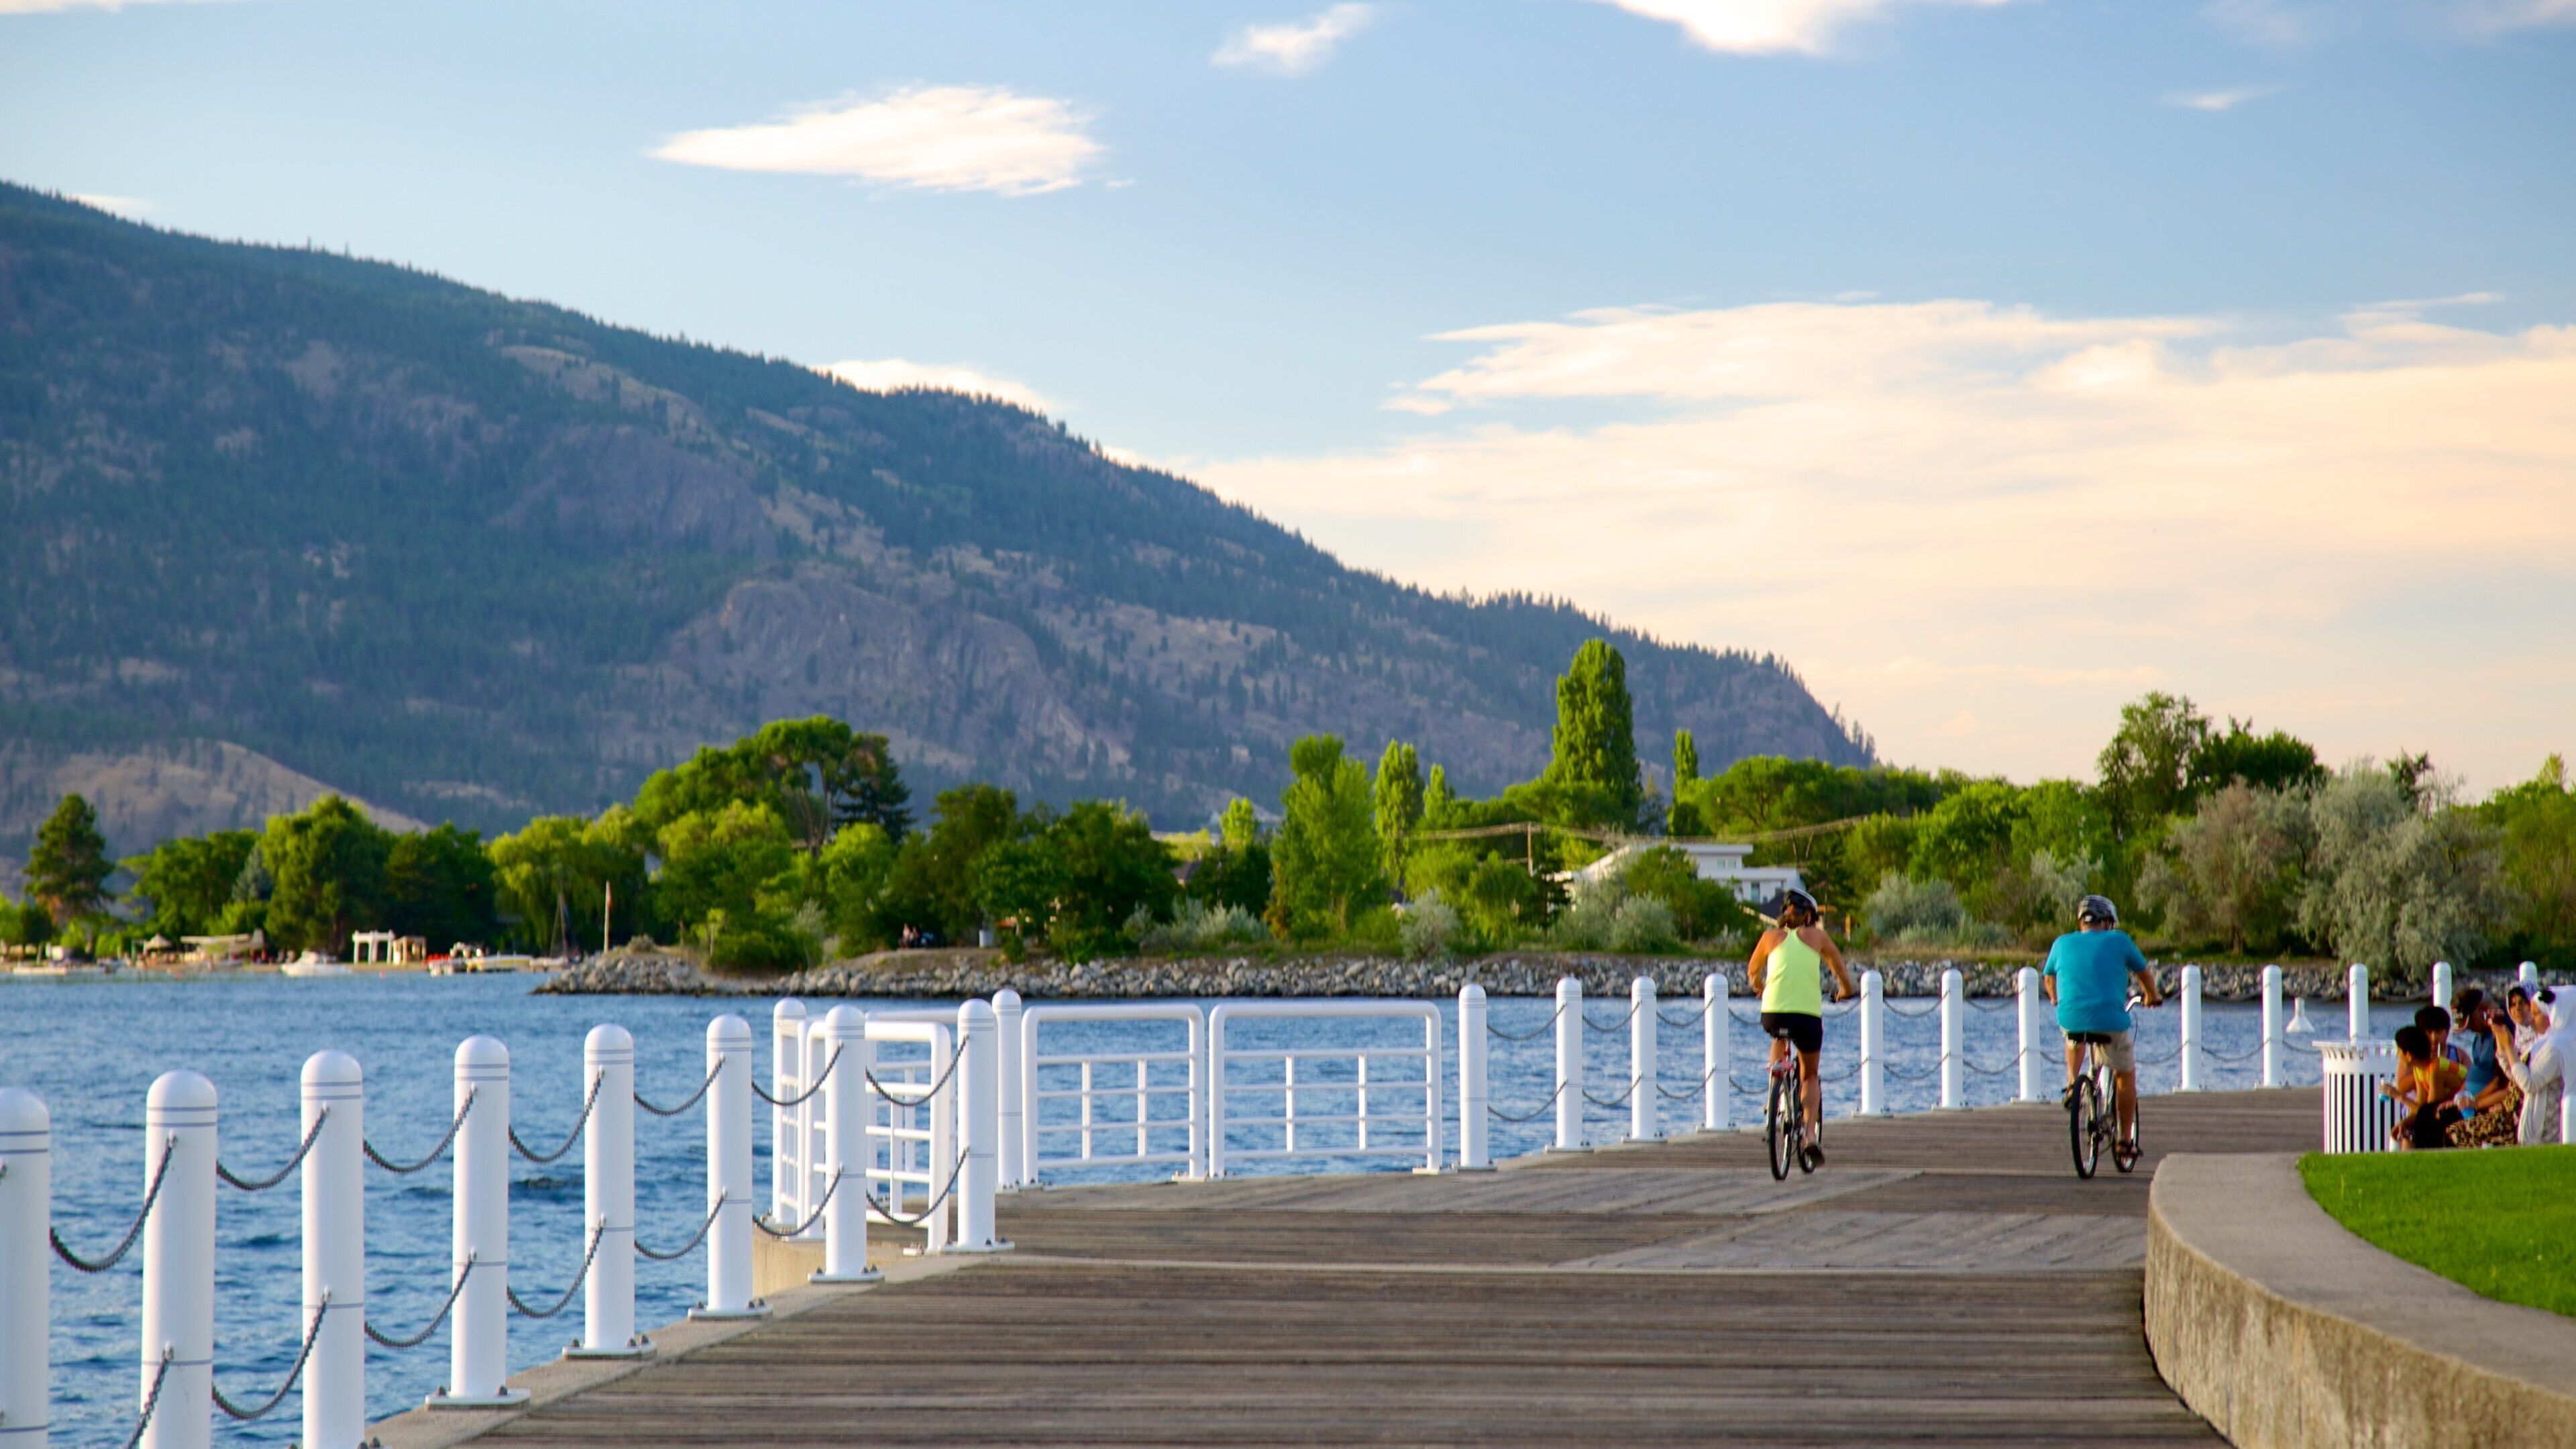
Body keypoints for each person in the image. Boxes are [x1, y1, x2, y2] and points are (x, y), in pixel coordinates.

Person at [2041, 896, 2162, 1159]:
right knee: (2125, 1074)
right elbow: (2144, 973)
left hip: (2071, 1017)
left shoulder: (2061, 943)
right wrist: (2151, 996)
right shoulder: (2119, 940)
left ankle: (2074, 1084)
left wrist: (2055, 999)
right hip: (2110, 1021)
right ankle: (2124, 1141)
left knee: (2073, 1035)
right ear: (2107, 922)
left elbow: (2048, 976)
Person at [1747, 887, 1859, 1171]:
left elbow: (1752, 972)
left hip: (1773, 1013)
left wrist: (1761, 988)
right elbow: (1840, 971)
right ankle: (1810, 1134)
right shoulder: (1818, 937)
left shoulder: (1769, 938)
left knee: (1779, 1036)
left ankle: (1775, 1089)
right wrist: (1846, 991)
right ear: (1809, 915)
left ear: (1784, 915)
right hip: (1807, 1016)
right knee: (1809, 1075)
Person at [2497, 986, 2565, 1145]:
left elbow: (2529, 1084)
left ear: (2552, 1016)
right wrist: (2502, 1042)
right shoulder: (2540, 1043)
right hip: (2531, 1120)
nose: (2531, 1019)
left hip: (2546, 1129)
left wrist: (2509, 1048)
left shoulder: (2555, 1048)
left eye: (2535, 1014)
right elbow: (2516, 1075)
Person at [2385, 1024, 2466, 1149]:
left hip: (2460, 1110)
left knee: (2421, 1128)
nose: (2398, 1056)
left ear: (2409, 1055)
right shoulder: (2420, 1070)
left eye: (2400, 1052)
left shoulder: (2435, 1070)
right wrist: (2405, 1122)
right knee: (2409, 1130)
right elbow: (2421, 1104)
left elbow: (2429, 1111)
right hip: (2444, 1111)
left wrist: (2401, 1098)